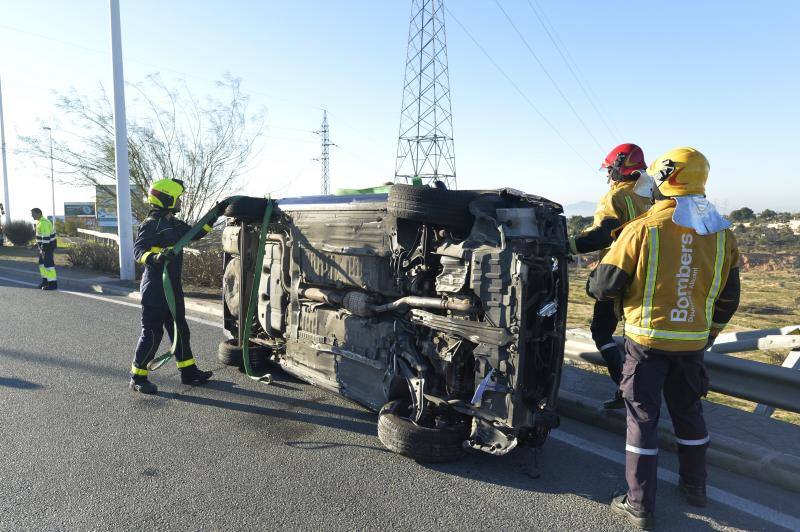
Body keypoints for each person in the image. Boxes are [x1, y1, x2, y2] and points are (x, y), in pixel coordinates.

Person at [588, 147, 740, 529]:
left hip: (647, 345)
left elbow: (605, 286)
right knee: (689, 413)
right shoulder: (722, 233)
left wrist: (596, 281)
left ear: (666, 179)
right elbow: (730, 296)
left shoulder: (642, 228)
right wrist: (709, 334)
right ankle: (695, 486)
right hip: (692, 345)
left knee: (642, 419)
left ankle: (639, 504)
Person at [569, 143, 652, 409]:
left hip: (620, 272)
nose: (608, 175)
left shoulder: (615, 197)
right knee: (637, 333)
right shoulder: (653, 195)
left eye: (609, 170)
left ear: (618, 167)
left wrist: (566, 245)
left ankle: (625, 390)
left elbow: (603, 234)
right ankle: (644, 389)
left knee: (602, 331)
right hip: (651, 272)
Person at [129, 178, 215, 394]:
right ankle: (138, 377)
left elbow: (195, 233)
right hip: (156, 288)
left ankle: (189, 372)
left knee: (180, 330)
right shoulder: (151, 224)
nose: (180, 202)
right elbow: (138, 252)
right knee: (153, 332)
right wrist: (155, 257)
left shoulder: (174, 223)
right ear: (167, 198)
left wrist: (215, 213)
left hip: (173, 287)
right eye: (178, 198)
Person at [31, 208, 57, 290]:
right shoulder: (39, 222)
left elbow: (46, 237)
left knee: (48, 265)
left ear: (38, 213)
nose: (32, 215)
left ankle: (52, 284)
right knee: (42, 265)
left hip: (47, 247)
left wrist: (42, 249)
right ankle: (45, 281)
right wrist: (37, 245)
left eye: (33, 214)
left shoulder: (44, 223)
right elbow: (41, 237)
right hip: (43, 247)